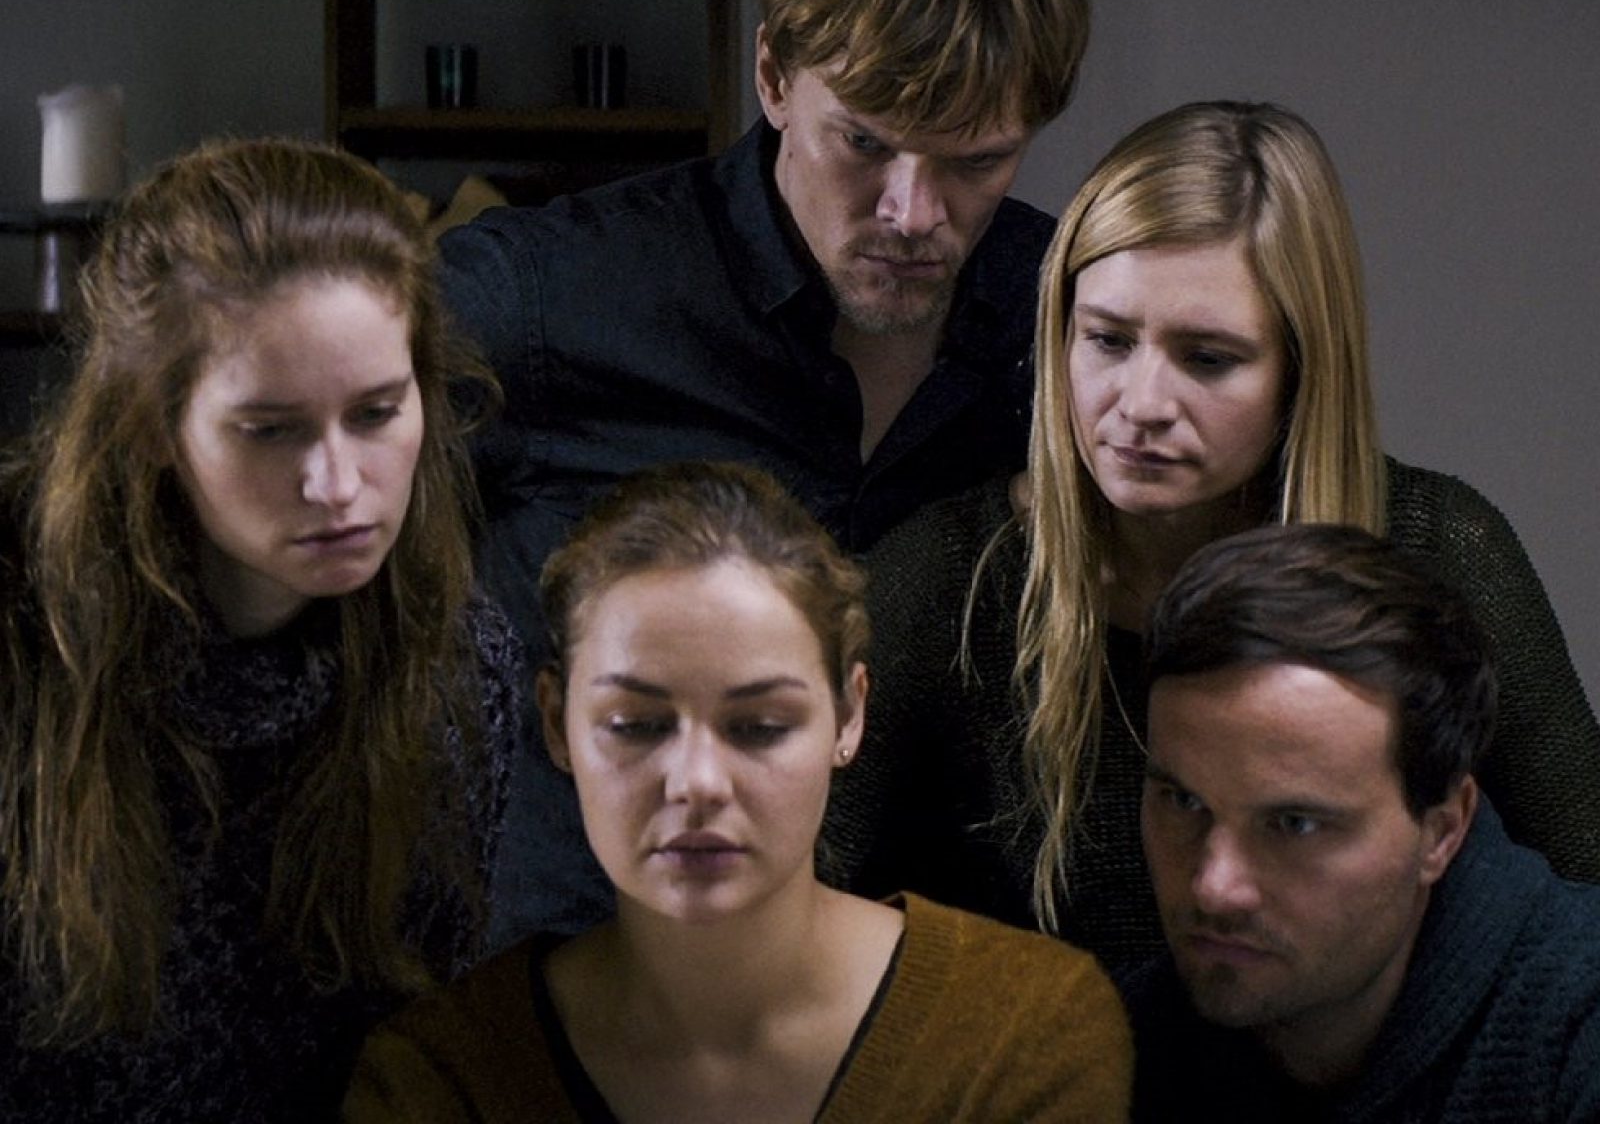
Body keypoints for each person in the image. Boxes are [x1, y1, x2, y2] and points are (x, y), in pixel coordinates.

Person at [830, 100, 1600, 970]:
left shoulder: (1440, 549)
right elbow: (791, 897)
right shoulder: (949, 578)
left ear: (1299, 370)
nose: (1142, 404)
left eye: (1207, 358)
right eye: (1107, 340)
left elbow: (1587, 883)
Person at [441, 0, 1091, 943]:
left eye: (977, 159)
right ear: (775, 76)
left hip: (927, 995)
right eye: (864, 143)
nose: (912, 213)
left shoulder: (1072, 323)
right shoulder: (549, 296)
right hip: (572, 981)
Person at [344, 462, 1131, 1123]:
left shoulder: (1022, 1034)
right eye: (636, 725)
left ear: (849, 716)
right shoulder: (441, 1078)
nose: (697, 783)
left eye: (759, 727)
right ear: (556, 723)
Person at [0, 138, 522, 1121]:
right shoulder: (24, 640)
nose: (338, 485)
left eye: (376, 413)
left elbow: (405, 1055)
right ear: (153, 423)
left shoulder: (454, 668)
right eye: (271, 429)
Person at [1123, 523, 1600, 1122]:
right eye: (1184, 802)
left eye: (1295, 824)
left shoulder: (1576, 1030)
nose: (1215, 889)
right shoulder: (1115, 1049)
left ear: (1442, 832)